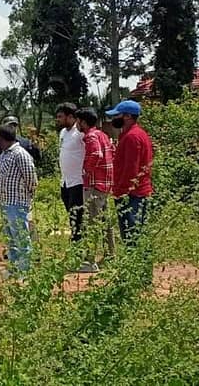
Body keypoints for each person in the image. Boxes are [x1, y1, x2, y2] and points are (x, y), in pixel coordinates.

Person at [106, 100, 154, 245]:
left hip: (131, 193)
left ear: (127, 116)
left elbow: (130, 170)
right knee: (136, 232)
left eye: (117, 115)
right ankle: (139, 263)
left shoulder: (132, 137)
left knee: (131, 234)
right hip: (135, 191)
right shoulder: (134, 134)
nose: (114, 119)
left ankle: (136, 265)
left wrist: (120, 191)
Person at [0, 124, 38, 274]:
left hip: (17, 203)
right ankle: (14, 268)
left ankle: (24, 271)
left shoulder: (20, 154)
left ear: (4, 138)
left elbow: (31, 178)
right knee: (11, 238)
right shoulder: (5, 154)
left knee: (21, 238)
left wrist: (28, 196)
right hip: (5, 202)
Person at [76, 108, 115, 273]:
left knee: (91, 223)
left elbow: (96, 154)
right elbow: (111, 152)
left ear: (83, 122)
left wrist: (86, 170)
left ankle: (90, 261)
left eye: (79, 121)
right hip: (104, 184)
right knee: (105, 222)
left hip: (94, 185)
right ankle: (110, 255)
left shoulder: (91, 136)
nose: (77, 124)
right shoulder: (103, 135)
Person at [55, 103, 86, 243]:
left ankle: (78, 243)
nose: (58, 119)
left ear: (71, 117)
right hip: (65, 181)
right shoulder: (62, 133)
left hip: (78, 181)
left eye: (61, 116)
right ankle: (77, 240)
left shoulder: (80, 133)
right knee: (71, 213)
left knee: (77, 215)